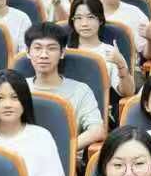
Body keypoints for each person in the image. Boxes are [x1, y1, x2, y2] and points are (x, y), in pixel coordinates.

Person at [23, 22, 105, 158]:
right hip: (23, 159)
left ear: (62, 53)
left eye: (51, 48)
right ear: (28, 52)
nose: (43, 55)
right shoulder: (17, 88)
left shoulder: (80, 90)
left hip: (66, 160)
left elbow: (97, 130)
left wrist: (61, 149)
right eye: (37, 48)